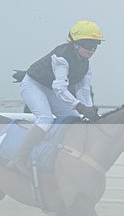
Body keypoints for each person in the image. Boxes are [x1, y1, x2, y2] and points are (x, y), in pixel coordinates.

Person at [9, 20, 104, 172]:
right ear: (75, 44)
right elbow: (60, 88)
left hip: (50, 90)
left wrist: (88, 109)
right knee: (45, 118)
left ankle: (61, 153)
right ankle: (18, 158)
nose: (91, 50)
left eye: (95, 46)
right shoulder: (61, 58)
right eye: (88, 45)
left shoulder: (86, 65)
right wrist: (80, 106)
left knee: (73, 118)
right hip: (33, 85)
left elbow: (83, 90)